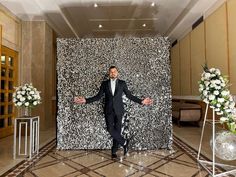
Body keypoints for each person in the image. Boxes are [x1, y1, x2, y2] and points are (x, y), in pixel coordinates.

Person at [74, 66, 153, 158]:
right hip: (108, 110)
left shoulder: (122, 83)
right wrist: (86, 100)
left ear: (117, 73)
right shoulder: (104, 84)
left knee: (118, 131)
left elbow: (129, 96)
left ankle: (114, 151)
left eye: (114, 71)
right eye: (111, 72)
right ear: (109, 73)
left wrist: (141, 101)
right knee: (110, 129)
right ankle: (125, 142)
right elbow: (98, 96)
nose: (113, 73)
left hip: (119, 110)